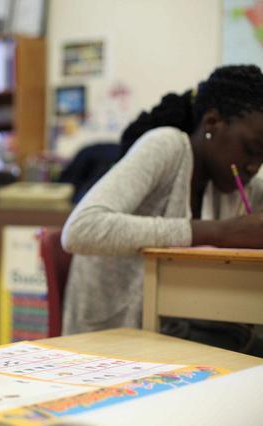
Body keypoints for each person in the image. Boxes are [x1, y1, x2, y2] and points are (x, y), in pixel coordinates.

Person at [61, 65, 263, 341]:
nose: (254, 166)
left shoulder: (240, 183)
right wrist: (219, 231)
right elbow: (80, 229)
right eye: (251, 150)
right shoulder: (166, 147)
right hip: (112, 339)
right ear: (212, 123)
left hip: (177, 337)